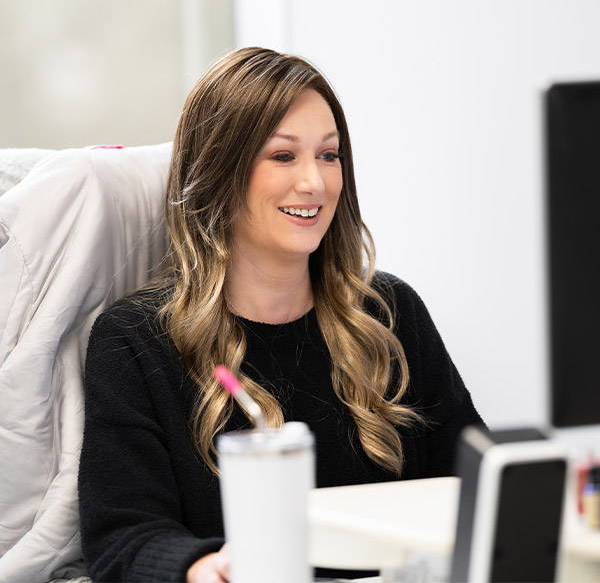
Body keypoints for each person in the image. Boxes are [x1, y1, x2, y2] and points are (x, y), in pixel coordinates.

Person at [78, 46, 485, 583]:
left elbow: (479, 489)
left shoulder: (390, 313)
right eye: (283, 156)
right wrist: (203, 568)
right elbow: (122, 538)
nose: (315, 183)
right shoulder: (138, 338)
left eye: (329, 155)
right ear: (220, 170)